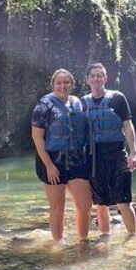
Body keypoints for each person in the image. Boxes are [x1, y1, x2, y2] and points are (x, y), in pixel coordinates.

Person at [31, 69, 93, 241]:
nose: (63, 86)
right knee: (58, 208)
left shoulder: (78, 103)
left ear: (72, 84)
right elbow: (37, 137)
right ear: (53, 85)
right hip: (53, 160)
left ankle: (82, 241)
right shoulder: (44, 105)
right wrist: (49, 166)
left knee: (85, 206)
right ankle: (58, 244)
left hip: (77, 159)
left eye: (66, 82)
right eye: (59, 83)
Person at [83, 62, 136, 236]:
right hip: (94, 157)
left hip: (116, 154)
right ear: (87, 80)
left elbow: (128, 126)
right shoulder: (82, 103)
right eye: (93, 75)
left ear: (105, 78)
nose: (96, 78)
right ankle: (104, 237)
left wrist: (134, 153)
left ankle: (132, 238)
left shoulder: (117, 98)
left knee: (123, 201)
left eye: (100, 75)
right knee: (100, 202)